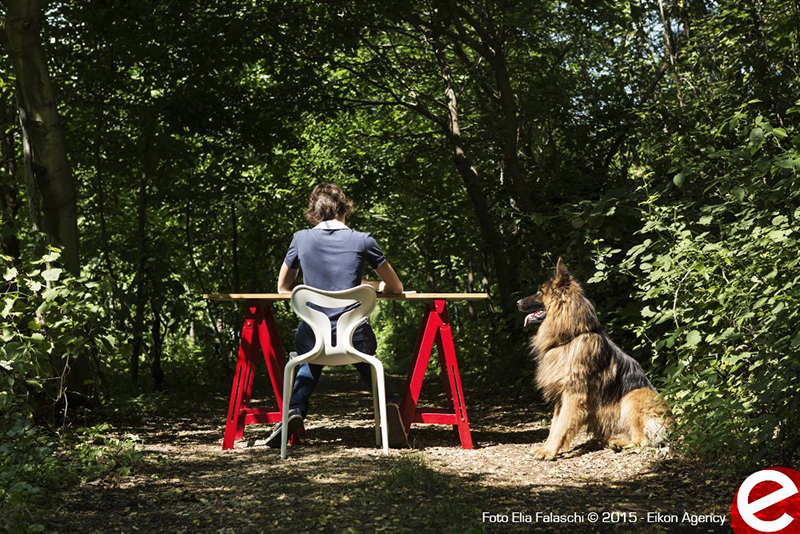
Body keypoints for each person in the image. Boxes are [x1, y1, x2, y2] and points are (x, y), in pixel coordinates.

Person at [266, 183, 408, 448]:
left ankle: (295, 409)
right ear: (345, 208)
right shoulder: (364, 240)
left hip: (314, 334)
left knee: (310, 352)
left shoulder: (301, 238)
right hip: (354, 335)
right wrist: (373, 286)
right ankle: (388, 406)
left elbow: (283, 288)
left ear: (314, 212)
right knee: (366, 359)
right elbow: (396, 287)